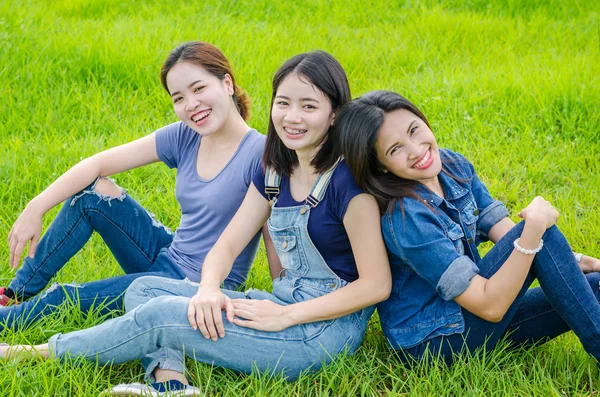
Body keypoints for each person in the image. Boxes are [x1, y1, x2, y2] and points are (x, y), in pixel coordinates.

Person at [0, 51, 391, 394]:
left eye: (308, 106)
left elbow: (377, 284)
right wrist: (207, 289)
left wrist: (285, 314)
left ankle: (32, 353)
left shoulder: (346, 183)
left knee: (157, 314)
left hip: (320, 331)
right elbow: (227, 244)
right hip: (278, 303)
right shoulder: (276, 171)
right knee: (145, 291)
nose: (291, 116)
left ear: (335, 112)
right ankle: (172, 385)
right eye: (283, 102)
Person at [2, 41, 265, 330]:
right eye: (178, 98)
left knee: (65, 298)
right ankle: (15, 294)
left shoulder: (262, 156)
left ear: (227, 83)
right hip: (170, 254)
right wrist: (35, 206)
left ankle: (6, 321)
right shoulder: (186, 135)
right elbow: (97, 165)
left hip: (198, 287)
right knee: (94, 194)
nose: (191, 104)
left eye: (199, 88)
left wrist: (282, 304)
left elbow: (278, 232)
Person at [336, 90, 600, 365]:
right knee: (536, 234)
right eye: (395, 149)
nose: (416, 151)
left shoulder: (452, 166)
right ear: (382, 167)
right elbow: (492, 306)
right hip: (433, 342)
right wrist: (534, 227)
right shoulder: (406, 219)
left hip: (471, 308)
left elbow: (506, 235)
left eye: (414, 130)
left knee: (593, 286)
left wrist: (576, 261)